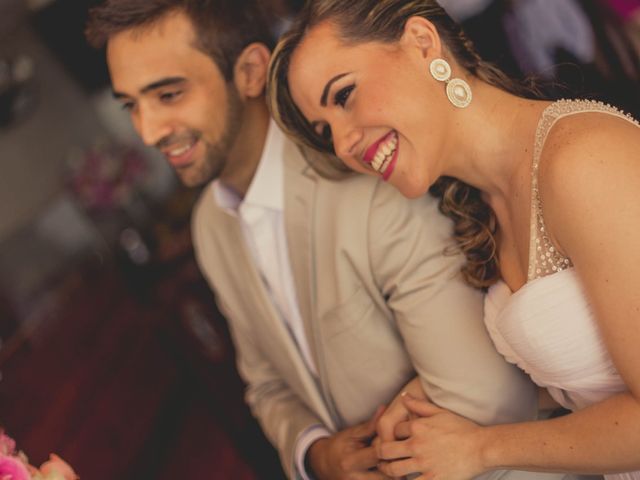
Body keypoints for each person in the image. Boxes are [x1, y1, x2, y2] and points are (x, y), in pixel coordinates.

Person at [85, 1, 572, 479]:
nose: (147, 131)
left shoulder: (374, 172)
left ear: (252, 71)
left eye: (169, 95)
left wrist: (370, 454)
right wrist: (315, 455)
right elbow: (266, 386)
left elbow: (482, 392)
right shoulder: (209, 225)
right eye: (131, 105)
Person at [268, 0, 640, 479]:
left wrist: (481, 449)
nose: (342, 146)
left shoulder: (579, 159)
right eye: (326, 132)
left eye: (344, 96)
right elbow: (589, 379)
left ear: (422, 43)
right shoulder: (484, 206)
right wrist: (425, 397)